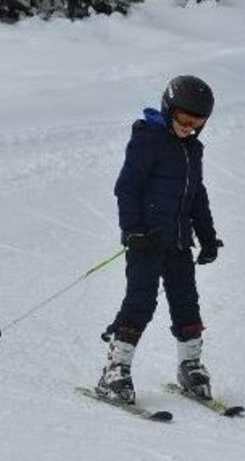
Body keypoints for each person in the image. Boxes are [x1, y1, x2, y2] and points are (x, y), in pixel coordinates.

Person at [96, 75, 224, 404]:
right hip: (146, 242)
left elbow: (197, 196)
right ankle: (115, 369)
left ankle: (190, 365)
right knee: (141, 302)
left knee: (186, 304)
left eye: (197, 123)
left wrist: (208, 238)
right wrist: (134, 229)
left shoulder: (192, 150)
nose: (189, 128)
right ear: (169, 110)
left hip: (179, 242)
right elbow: (127, 187)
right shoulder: (147, 141)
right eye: (183, 119)